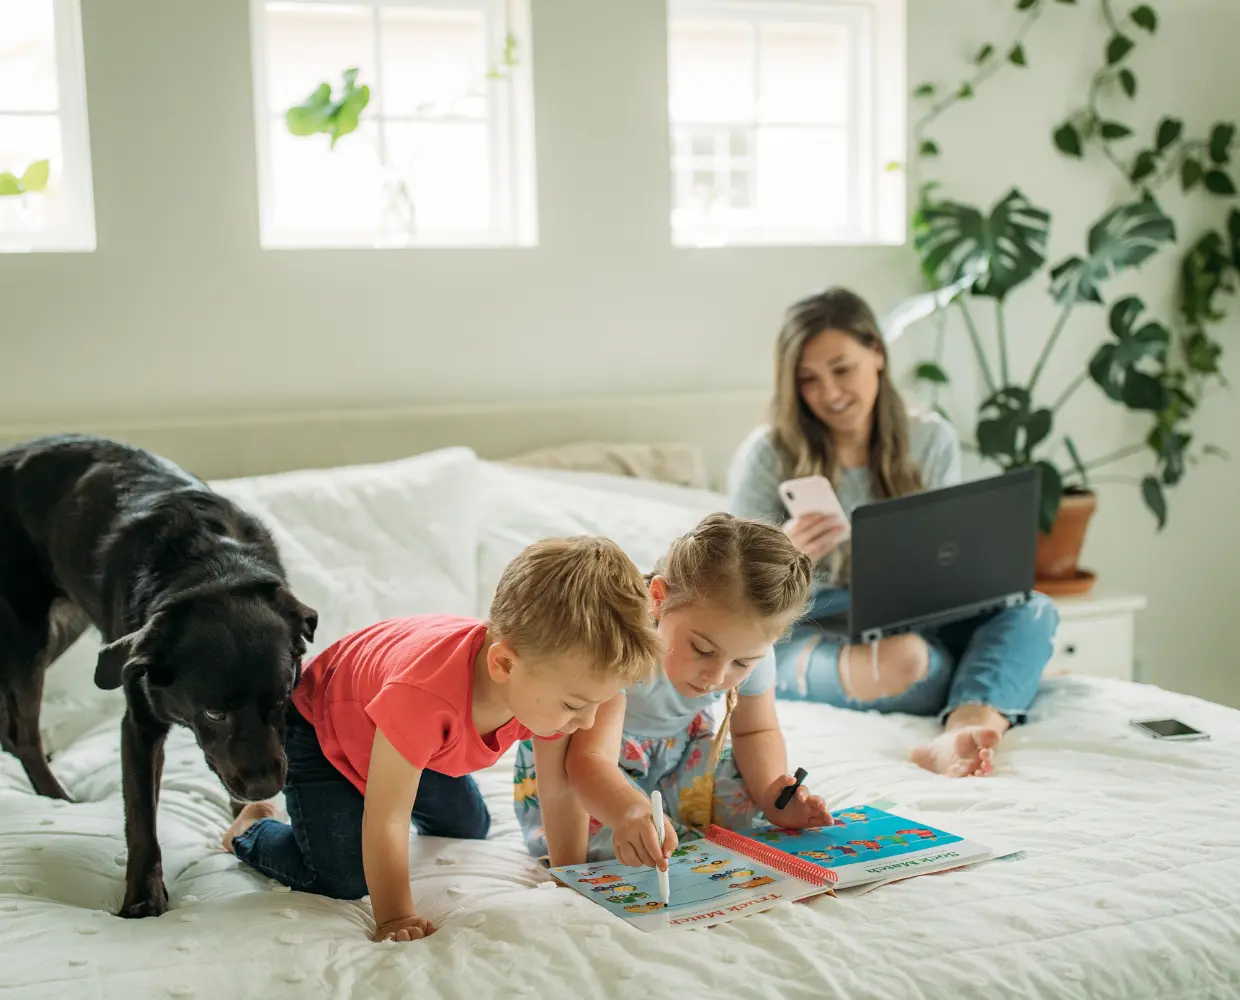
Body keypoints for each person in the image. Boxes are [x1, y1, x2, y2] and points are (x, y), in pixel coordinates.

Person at [222, 536, 660, 941]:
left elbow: (558, 788)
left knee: (470, 826)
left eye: (595, 707)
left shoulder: (545, 686)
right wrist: (395, 916)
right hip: (321, 728)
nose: (585, 723)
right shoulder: (424, 697)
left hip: (410, 738)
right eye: (574, 706)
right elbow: (387, 817)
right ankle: (251, 829)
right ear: (503, 665)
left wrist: (571, 875)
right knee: (342, 878)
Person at [727, 287, 1058, 779]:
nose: (830, 393)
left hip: (916, 612)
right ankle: (985, 682)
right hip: (811, 622)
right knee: (912, 663)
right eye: (808, 380)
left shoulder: (929, 438)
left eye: (842, 369)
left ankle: (963, 728)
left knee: (1034, 610)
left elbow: (949, 558)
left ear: (877, 354)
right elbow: (729, 591)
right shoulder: (768, 454)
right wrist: (784, 554)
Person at [513, 513, 831, 869]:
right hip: (598, 770)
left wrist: (773, 796)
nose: (716, 676)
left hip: (681, 756)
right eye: (703, 650)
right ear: (659, 599)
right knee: (628, 846)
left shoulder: (753, 648)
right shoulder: (622, 646)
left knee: (747, 809)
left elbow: (756, 730)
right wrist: (629, 810)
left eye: (741, 663)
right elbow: (588, 760)